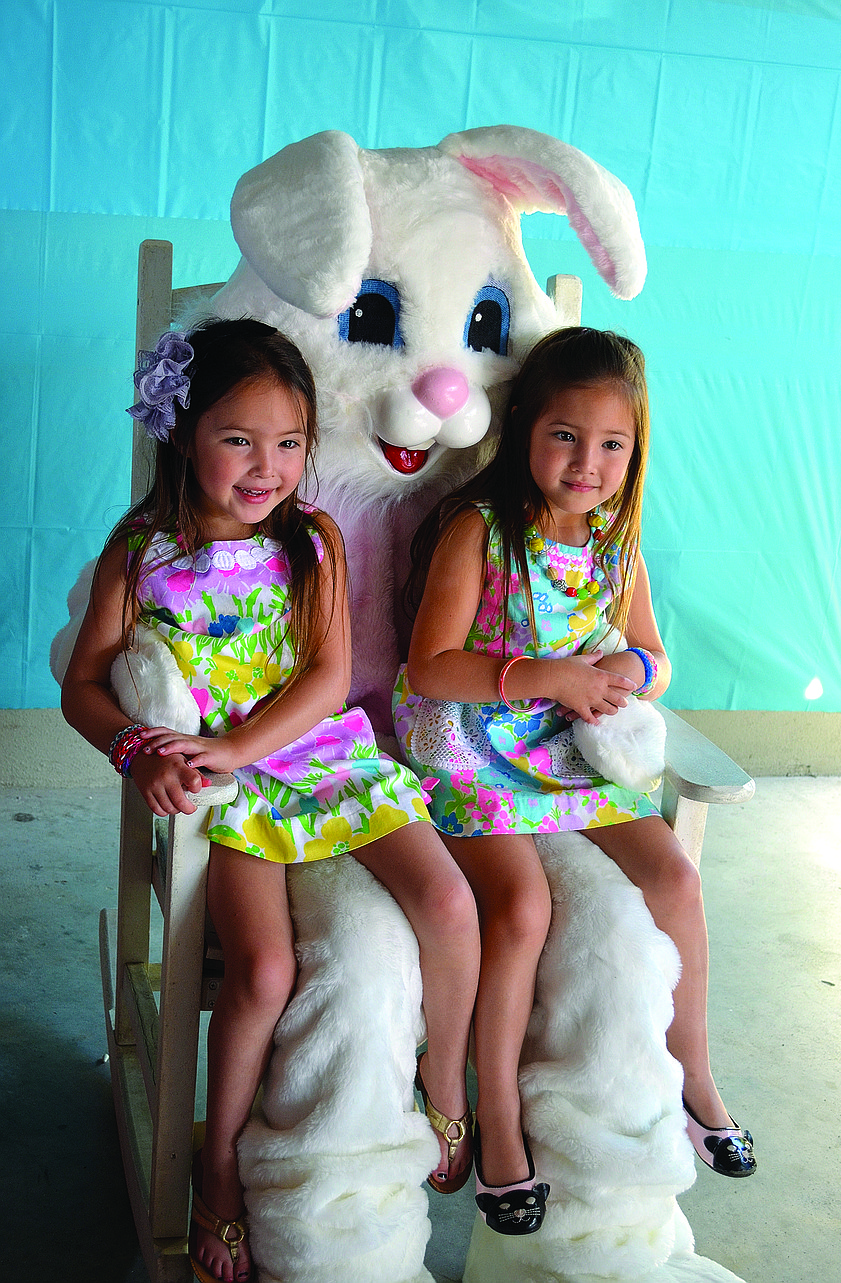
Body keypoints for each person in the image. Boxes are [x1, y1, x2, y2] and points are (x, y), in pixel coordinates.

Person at [62, 319, 479, 1283]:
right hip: (234, 796)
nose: (268, 466)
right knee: (259, 974)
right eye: (238, 439)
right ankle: (218, 1167)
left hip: (328, 761)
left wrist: (239, 741)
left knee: (450, 905)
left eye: (290, 442)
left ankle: (442, 1089)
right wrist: (136, 748)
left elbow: (330, 679)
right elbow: (83, 685)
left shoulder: (314, 543)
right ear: (184, 433)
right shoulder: (142, 554)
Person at [393, 326, 756, 1234]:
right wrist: (547, 674)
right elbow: (432, 664)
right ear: (524, 427)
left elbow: (655, 655)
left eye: (612, 444)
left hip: (566, 746)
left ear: (634, 451)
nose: (587, 462)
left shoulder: (612, 542)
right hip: (472, 740)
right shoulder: (479, 531)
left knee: (675, 873)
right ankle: (501, 1117)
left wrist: (632, 672)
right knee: (520, 907)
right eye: (565, 435)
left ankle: (695, 1074)